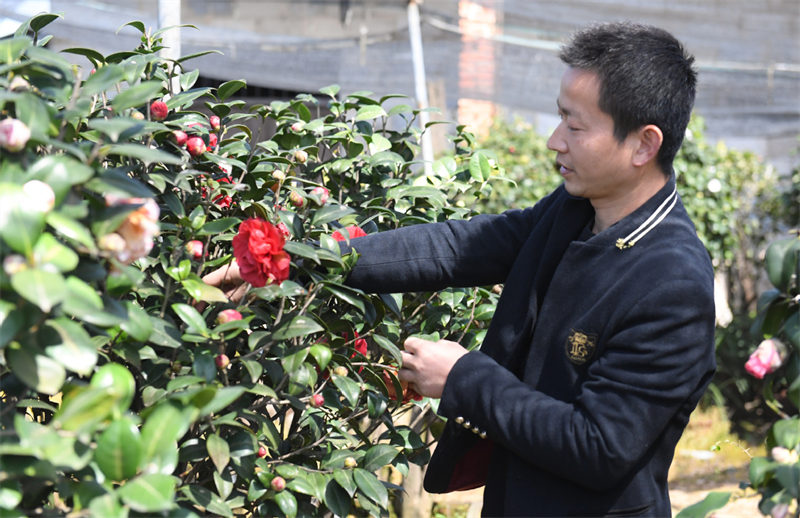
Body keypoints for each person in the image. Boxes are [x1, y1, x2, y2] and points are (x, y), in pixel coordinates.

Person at [205, 21, 716, 517]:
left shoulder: (671, 283)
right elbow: (457, 247)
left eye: (575, 125)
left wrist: (463, 378)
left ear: (644, 145)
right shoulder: (572, 212)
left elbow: (599, 446)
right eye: (559, 117)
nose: (554, 140)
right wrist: (295, 258)